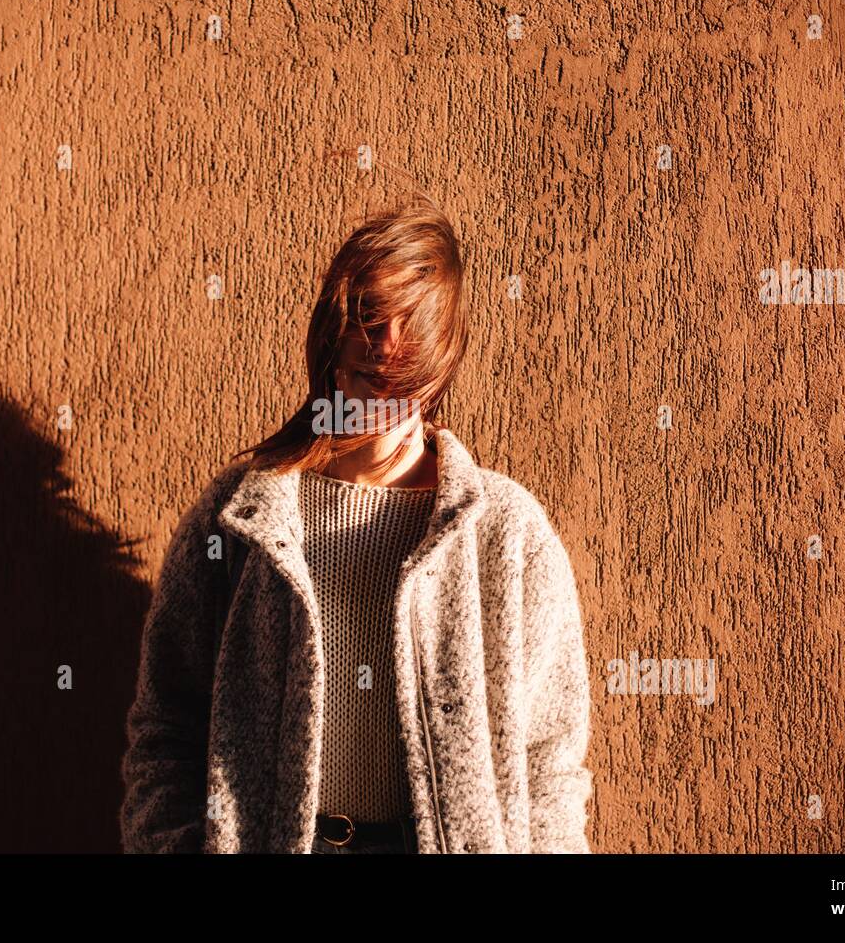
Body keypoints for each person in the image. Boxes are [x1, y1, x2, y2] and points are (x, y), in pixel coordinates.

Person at [119, 192, 594, 853]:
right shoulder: (240, 518)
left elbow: (551, 764)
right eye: (369, 314)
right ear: (333, 330)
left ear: (446, 351)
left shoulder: (505, 536)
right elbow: (167, 725)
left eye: (414, 321)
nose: (389, 341)